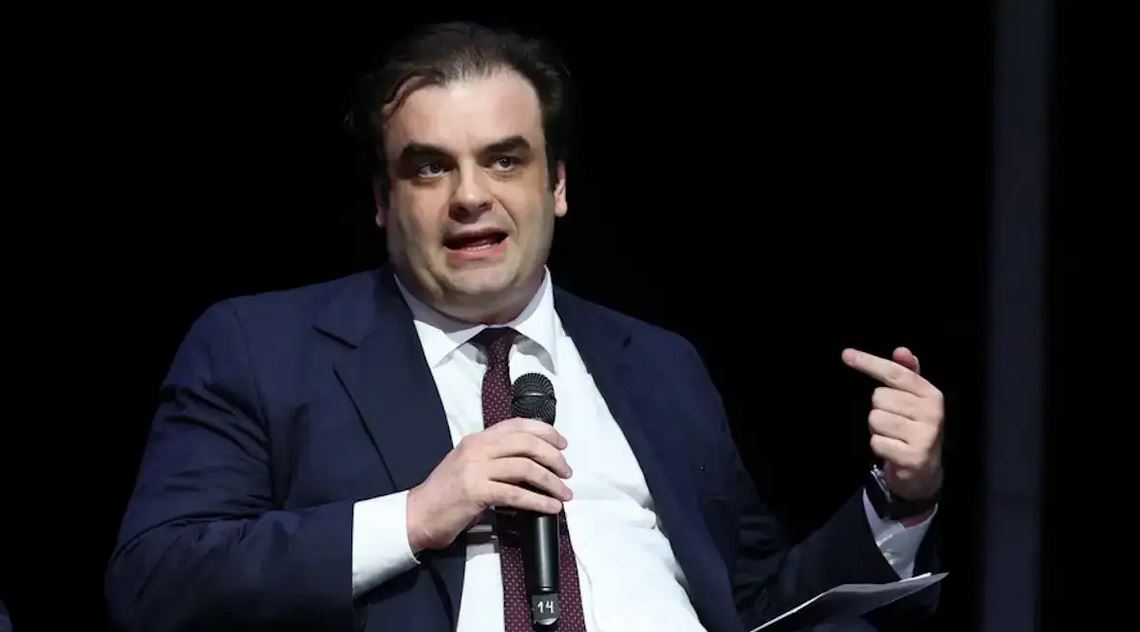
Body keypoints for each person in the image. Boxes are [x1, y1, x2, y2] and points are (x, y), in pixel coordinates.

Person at [105, 21, 945, 632]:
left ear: (558, 186)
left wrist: (898, 501)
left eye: (504, 160)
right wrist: (415, 515)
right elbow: (154, 581)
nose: (470, 196)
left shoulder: (658, 365)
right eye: (429, 168)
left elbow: (755, 601)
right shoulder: (264, 349)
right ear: (382, 201)